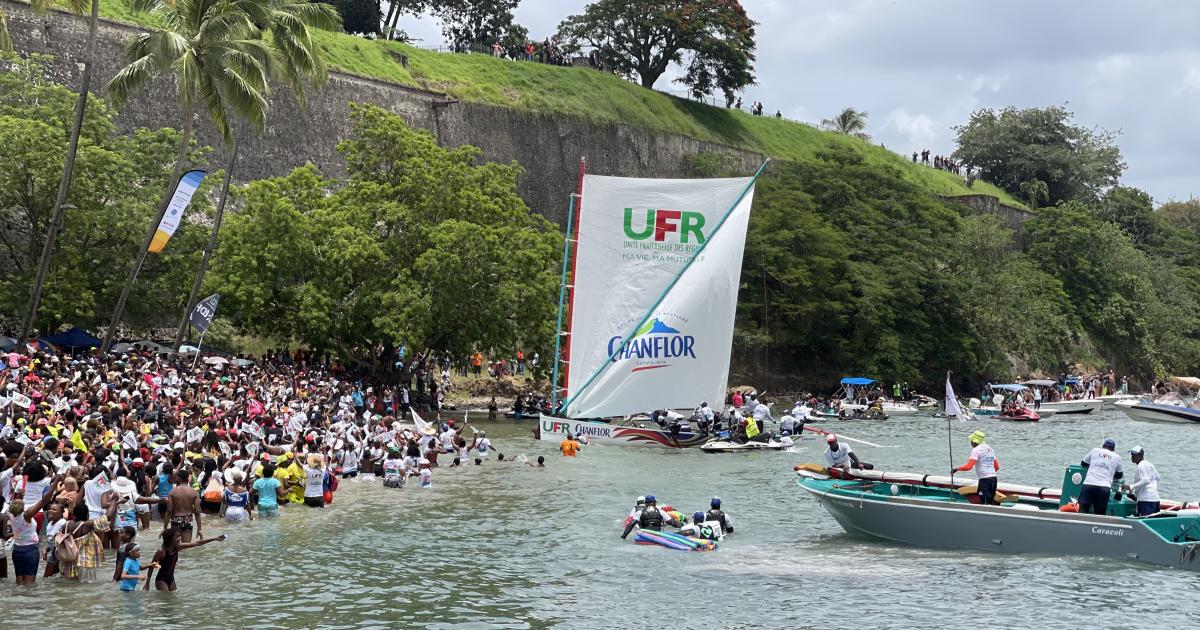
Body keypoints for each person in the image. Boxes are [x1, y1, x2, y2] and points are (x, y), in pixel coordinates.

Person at [2, 479, 59, 585]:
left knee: (19, 581)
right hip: (30, 551)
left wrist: (20, 495)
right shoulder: (26, 515)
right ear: (22, 508)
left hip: (17, 550)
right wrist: (56, 482)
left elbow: (16, 503)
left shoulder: (10, 514)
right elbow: (44, 500)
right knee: (29, 583)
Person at [143, 526, 225, 592]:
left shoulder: (178, 547)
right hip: (161, 580)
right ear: (170, 539)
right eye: (177, 537)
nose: (180, 538)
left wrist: (214, 538)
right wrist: (147, 582)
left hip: (171, 578)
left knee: (172, 600)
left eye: (180, 536)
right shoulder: (161, 551)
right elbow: (151, 566)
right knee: (165, 603)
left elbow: (197, 543)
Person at [1079, 438, 1124, 515]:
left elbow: (1083, 463)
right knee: (1100, 514)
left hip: (1089, 484)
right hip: (1104, 487)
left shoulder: (1095, 450)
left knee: (1082, 511)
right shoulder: (1117, 457)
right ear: (1113, 449)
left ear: (1103, 446)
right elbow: (1119, 475)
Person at [953, 431, 1000, 505]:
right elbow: (997, 467)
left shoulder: (976, 450)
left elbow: (969, 467)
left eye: (971, 441)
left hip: (984, 480)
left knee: (984, 503)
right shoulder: (990, 449)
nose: (971, 443)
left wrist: (956, 469)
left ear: (974, 441)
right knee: (990, 502)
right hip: (994, 479)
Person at [1124, 446, 1160, 516]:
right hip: (1155, 498)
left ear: (1141, 455)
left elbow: (1146, 480)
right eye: (1132, 454)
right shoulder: (1149, 464)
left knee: (1144, 519)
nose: (1132, 456)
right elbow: (1158, 477)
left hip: (1145, 500)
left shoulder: (1141, 465)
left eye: (1135, 455)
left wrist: (1131, 487)